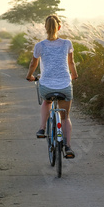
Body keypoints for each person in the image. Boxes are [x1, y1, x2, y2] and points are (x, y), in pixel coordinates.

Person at [26, 15, 78, 158]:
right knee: (65, 116)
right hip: (64, 85)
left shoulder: (40, 45)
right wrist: (74, 75)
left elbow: (33, 64)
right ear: (59, 27)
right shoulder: (67, 43)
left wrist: (29, 76)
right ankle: (67, 147)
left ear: (45, 28)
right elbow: (71, 63)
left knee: (47, 101)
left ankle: (42, 129)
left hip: (47, 85)